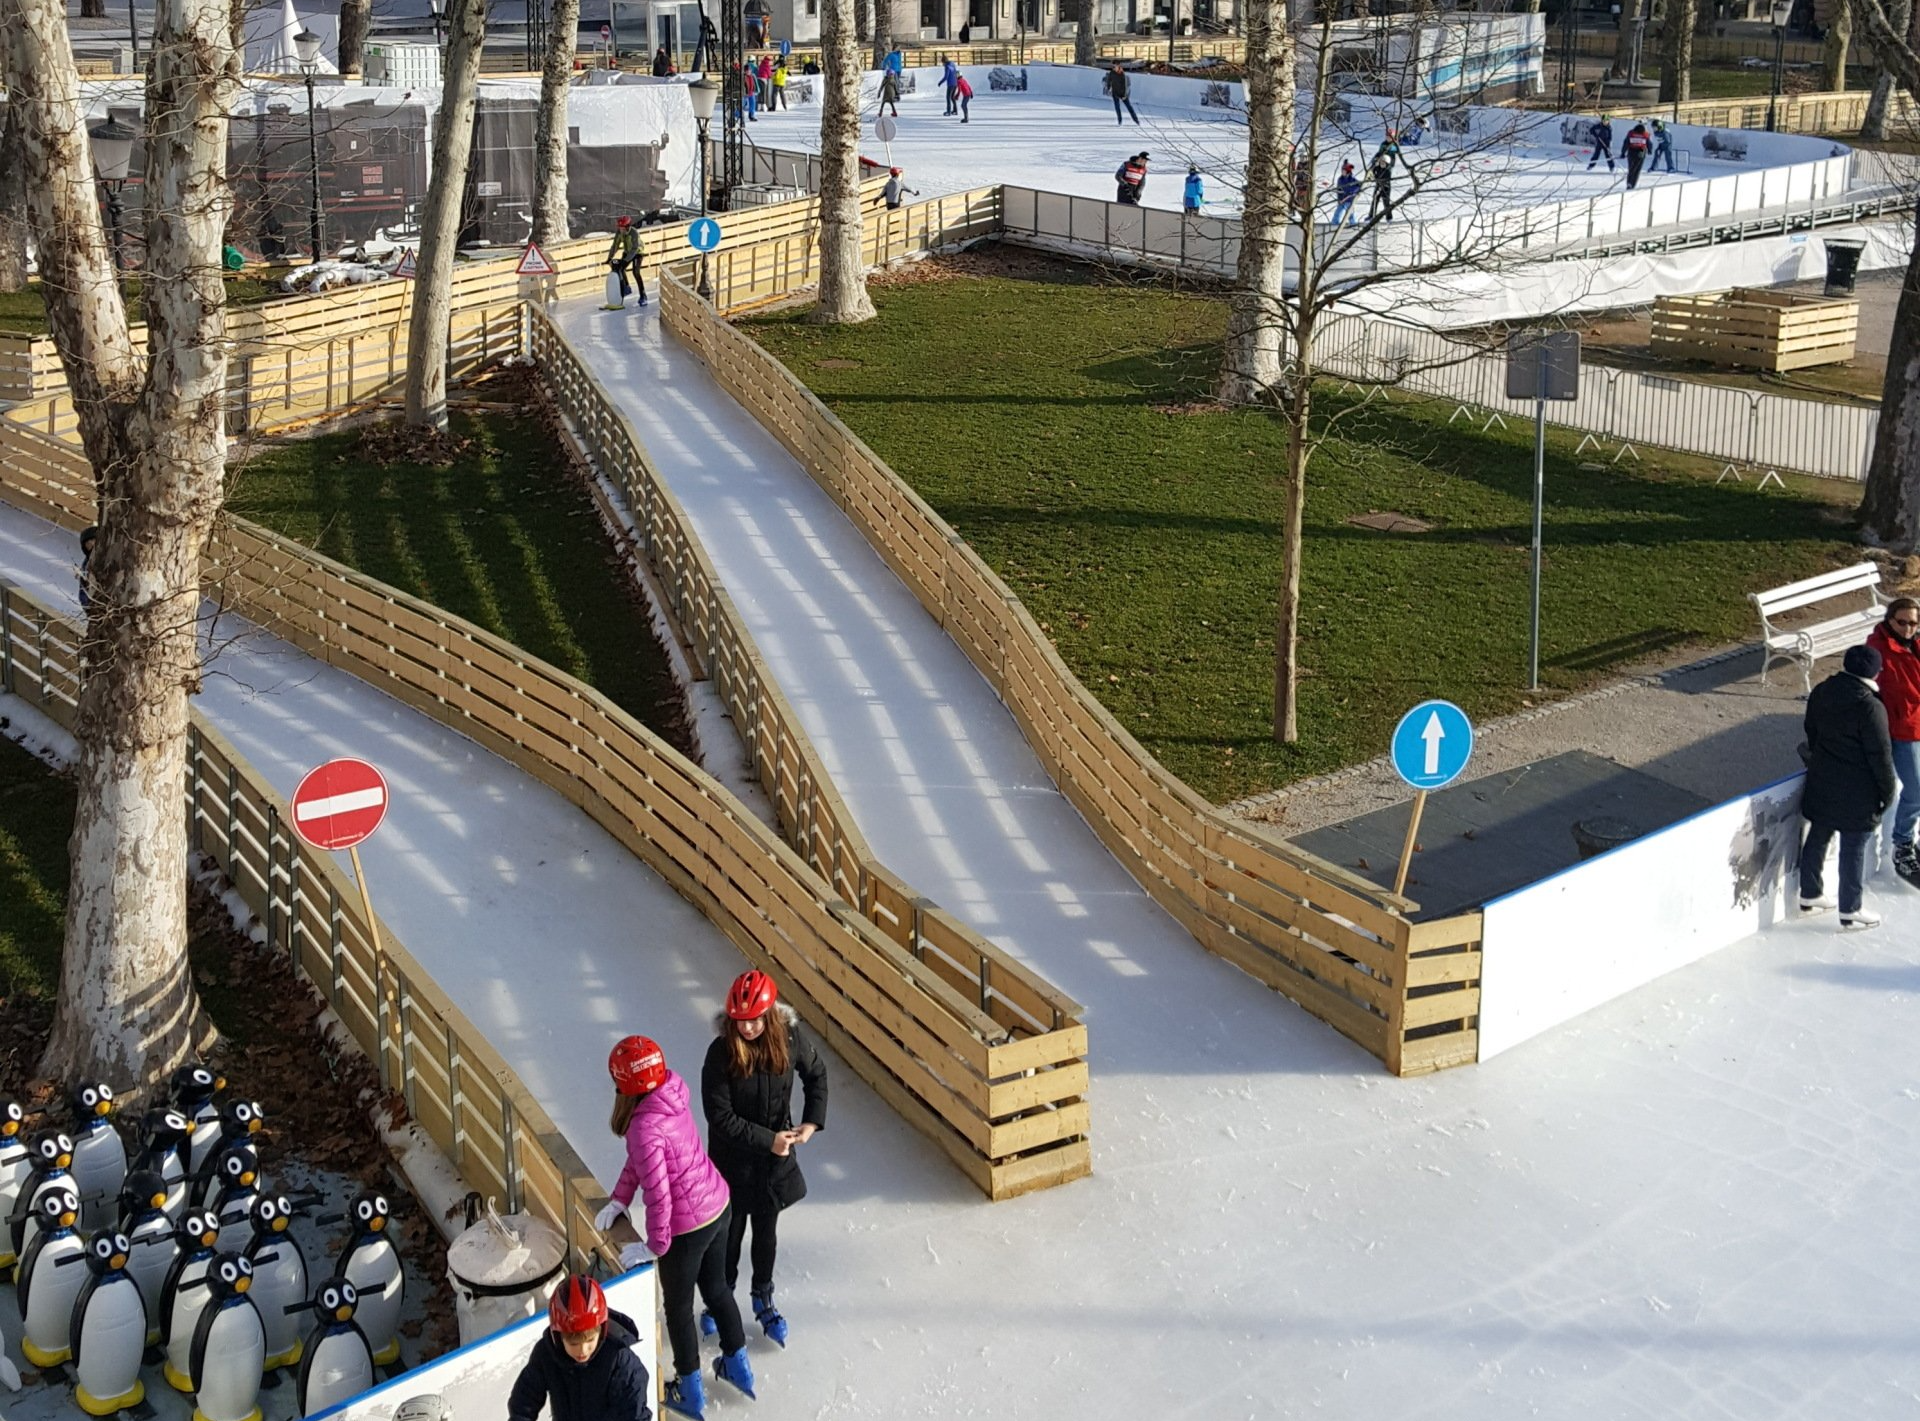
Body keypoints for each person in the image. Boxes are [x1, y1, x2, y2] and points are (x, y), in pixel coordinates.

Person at [594, 1036, 753, 1418]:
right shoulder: (670, 1094)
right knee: (715, 1287)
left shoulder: (643, 1129)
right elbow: (643, 1163)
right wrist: (618, 1198)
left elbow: (659, 1195)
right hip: (719, 1204)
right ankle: (738, 1364)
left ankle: (690, 1390)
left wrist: (656, 1246)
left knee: (678, 1309)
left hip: (687, 1228)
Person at [700, 972, 828, 1348]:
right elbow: (719, 1117)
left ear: (769, 1014)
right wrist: (766, 1140)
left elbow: (817, 1075)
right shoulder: (720, 1053)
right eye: (742, 1021)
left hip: (773, 1161)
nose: (749, 1027)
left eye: (756, 1019)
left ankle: (762, 1296)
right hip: (732, 1161)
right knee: (729, 1234)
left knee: (766, 1233)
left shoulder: (789, 1039)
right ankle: (718, 1301)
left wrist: (811, 1122)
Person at [1798, 644, 1896, 931]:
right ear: (1875, 671)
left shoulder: (1823, 690)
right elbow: (1880, 754)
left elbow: (1811, 730)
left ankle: (1810, 892)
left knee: (1819, 833)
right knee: (1853, 847)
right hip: (1858, 789)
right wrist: (1887, 792)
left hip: (1823, 779)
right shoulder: (1870, 706)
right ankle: (1850, 909)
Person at [508, 1276, 652, 1421]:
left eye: (590, 1340)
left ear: (601, 1331)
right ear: (558, 1337)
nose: (583, 1350)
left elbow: (635, 1411)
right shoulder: (546, 1354)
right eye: (573, 1344)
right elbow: (524, 1400)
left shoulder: (618, 1358)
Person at [1868, 597, 1920, 887]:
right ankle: (1902, 844)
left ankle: (1911, 840)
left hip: (1917, 724)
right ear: (1890, 620)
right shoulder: (1879, 650)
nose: (1909, 628)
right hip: (1903, 730)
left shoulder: (1915, 645)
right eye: (1903, 622)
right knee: (1916, 790)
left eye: (1914, 623)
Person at [606, 217, 646, 306]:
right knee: (620, 268)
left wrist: (626, 260)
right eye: (620, 228)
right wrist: (609, 258)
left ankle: (643, 296)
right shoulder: (619, 233)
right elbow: (615, 245)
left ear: (628, 227)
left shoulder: (634, 233)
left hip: (637, 253)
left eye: (623, 228)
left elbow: (634, 249)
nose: (621, 230)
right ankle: (626, 287)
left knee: (636, 272)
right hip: (627, 252)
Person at [1331, 160, 1362, 226]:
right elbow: (1339, 190)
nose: (1343, 172)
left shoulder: (1352, 179)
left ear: (1348, 171)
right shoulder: (1340, 179)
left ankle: (1352, 223)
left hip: (1350, 200)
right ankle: (1335, 223)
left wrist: (1352, 192)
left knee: (1350, 213)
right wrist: (1339, 199)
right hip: (1342, 199)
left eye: (1344, 171)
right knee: (1338, 212)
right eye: (1342, 170)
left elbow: (1358, 186)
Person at [1622, 121, 1650, 188]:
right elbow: (1649, 143)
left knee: (1631, 168)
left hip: (1633, 151)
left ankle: (1629, 183)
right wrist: (1650, 150)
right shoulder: (1645, 134)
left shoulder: (1631, 133)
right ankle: (1632, 184)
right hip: (1641, 151)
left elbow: (1626, 142)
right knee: (1637, 169)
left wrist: (1623, 152)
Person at [1369, 148, 1394, 222]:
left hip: (1385, 188)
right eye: (1381, 162)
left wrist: (1379, 184)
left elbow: (1384, 179)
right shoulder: (1378, 168)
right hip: (1378, 186)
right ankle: (1371, 215)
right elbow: (1373, 171)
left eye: (1383, 163)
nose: (1381, 164)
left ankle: (1389, 217)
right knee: (1375, 200)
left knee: (1386, 202)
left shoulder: (1387, 171)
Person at [78, 525, 99, 612]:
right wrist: (88, 608)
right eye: (87, 542)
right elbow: (83, 589)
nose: (91, 544)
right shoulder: (87, 565)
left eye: (93, 540)